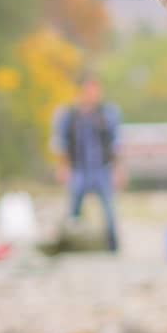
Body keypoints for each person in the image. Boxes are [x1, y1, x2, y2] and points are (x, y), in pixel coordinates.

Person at [51, 74, 123, 253]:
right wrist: (63, 167)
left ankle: (113, 246)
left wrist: (117, 169)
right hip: (79, 168)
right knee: (74, 209)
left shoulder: (107, 113)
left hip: (102, 168)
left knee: (108, 209)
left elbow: (115, 144)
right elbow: (62, 144)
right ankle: (70, 243)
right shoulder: (69, 115)